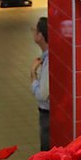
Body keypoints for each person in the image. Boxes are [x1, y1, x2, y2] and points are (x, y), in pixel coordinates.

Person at [32, 16, 50, 150]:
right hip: (49, 113)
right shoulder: (47, 58)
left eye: (34, 30)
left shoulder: (48, 61)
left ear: (40, 36)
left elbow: (43, 95)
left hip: (47, 113)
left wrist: (32, 76)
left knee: (46, 148)